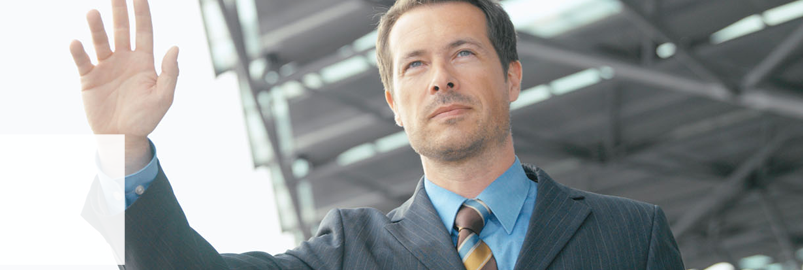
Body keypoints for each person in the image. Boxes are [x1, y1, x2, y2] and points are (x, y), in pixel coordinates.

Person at [69, 0, 685, 272]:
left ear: (513, 76)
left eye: (463, 53)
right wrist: (123, 151)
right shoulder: (346, 254)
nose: (440, 79)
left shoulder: (631, 234)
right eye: (415, 64)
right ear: (394, 103)